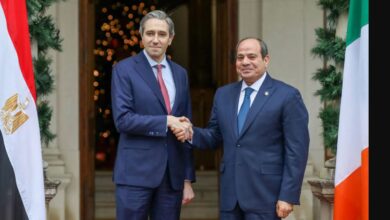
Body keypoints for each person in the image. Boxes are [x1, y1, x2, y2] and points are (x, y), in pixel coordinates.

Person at [173, 37, 309, 219]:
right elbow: (215, 136)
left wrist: (288, 195)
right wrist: (190, 132)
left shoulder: (287, 96)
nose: (245, 62)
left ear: (266, 60)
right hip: (230, 196)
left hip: (266, 196)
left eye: (252, 56)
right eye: (240, 57)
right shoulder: (223, 94)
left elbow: (297, 151)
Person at [111, 10, 195, 220]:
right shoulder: (124, 70)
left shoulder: (180, 74)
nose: (155, 39)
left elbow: (186, 126)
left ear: (171, 38)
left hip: (171, 177)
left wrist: (187, 179)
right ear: (141, 37)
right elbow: (123, 120)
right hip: (135, 175)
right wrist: (166, 121)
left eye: (161, 34)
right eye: (150, 34)